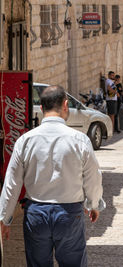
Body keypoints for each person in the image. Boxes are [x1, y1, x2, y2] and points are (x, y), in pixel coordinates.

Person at [0, 85, 105, 265]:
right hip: (69, 214)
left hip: (36, 214)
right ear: (65, 105)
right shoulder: (79, 140)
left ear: (41, 108)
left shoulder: (25, 141)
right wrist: (93, 204)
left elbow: (12, 183)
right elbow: (93, 177)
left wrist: (5, 218)